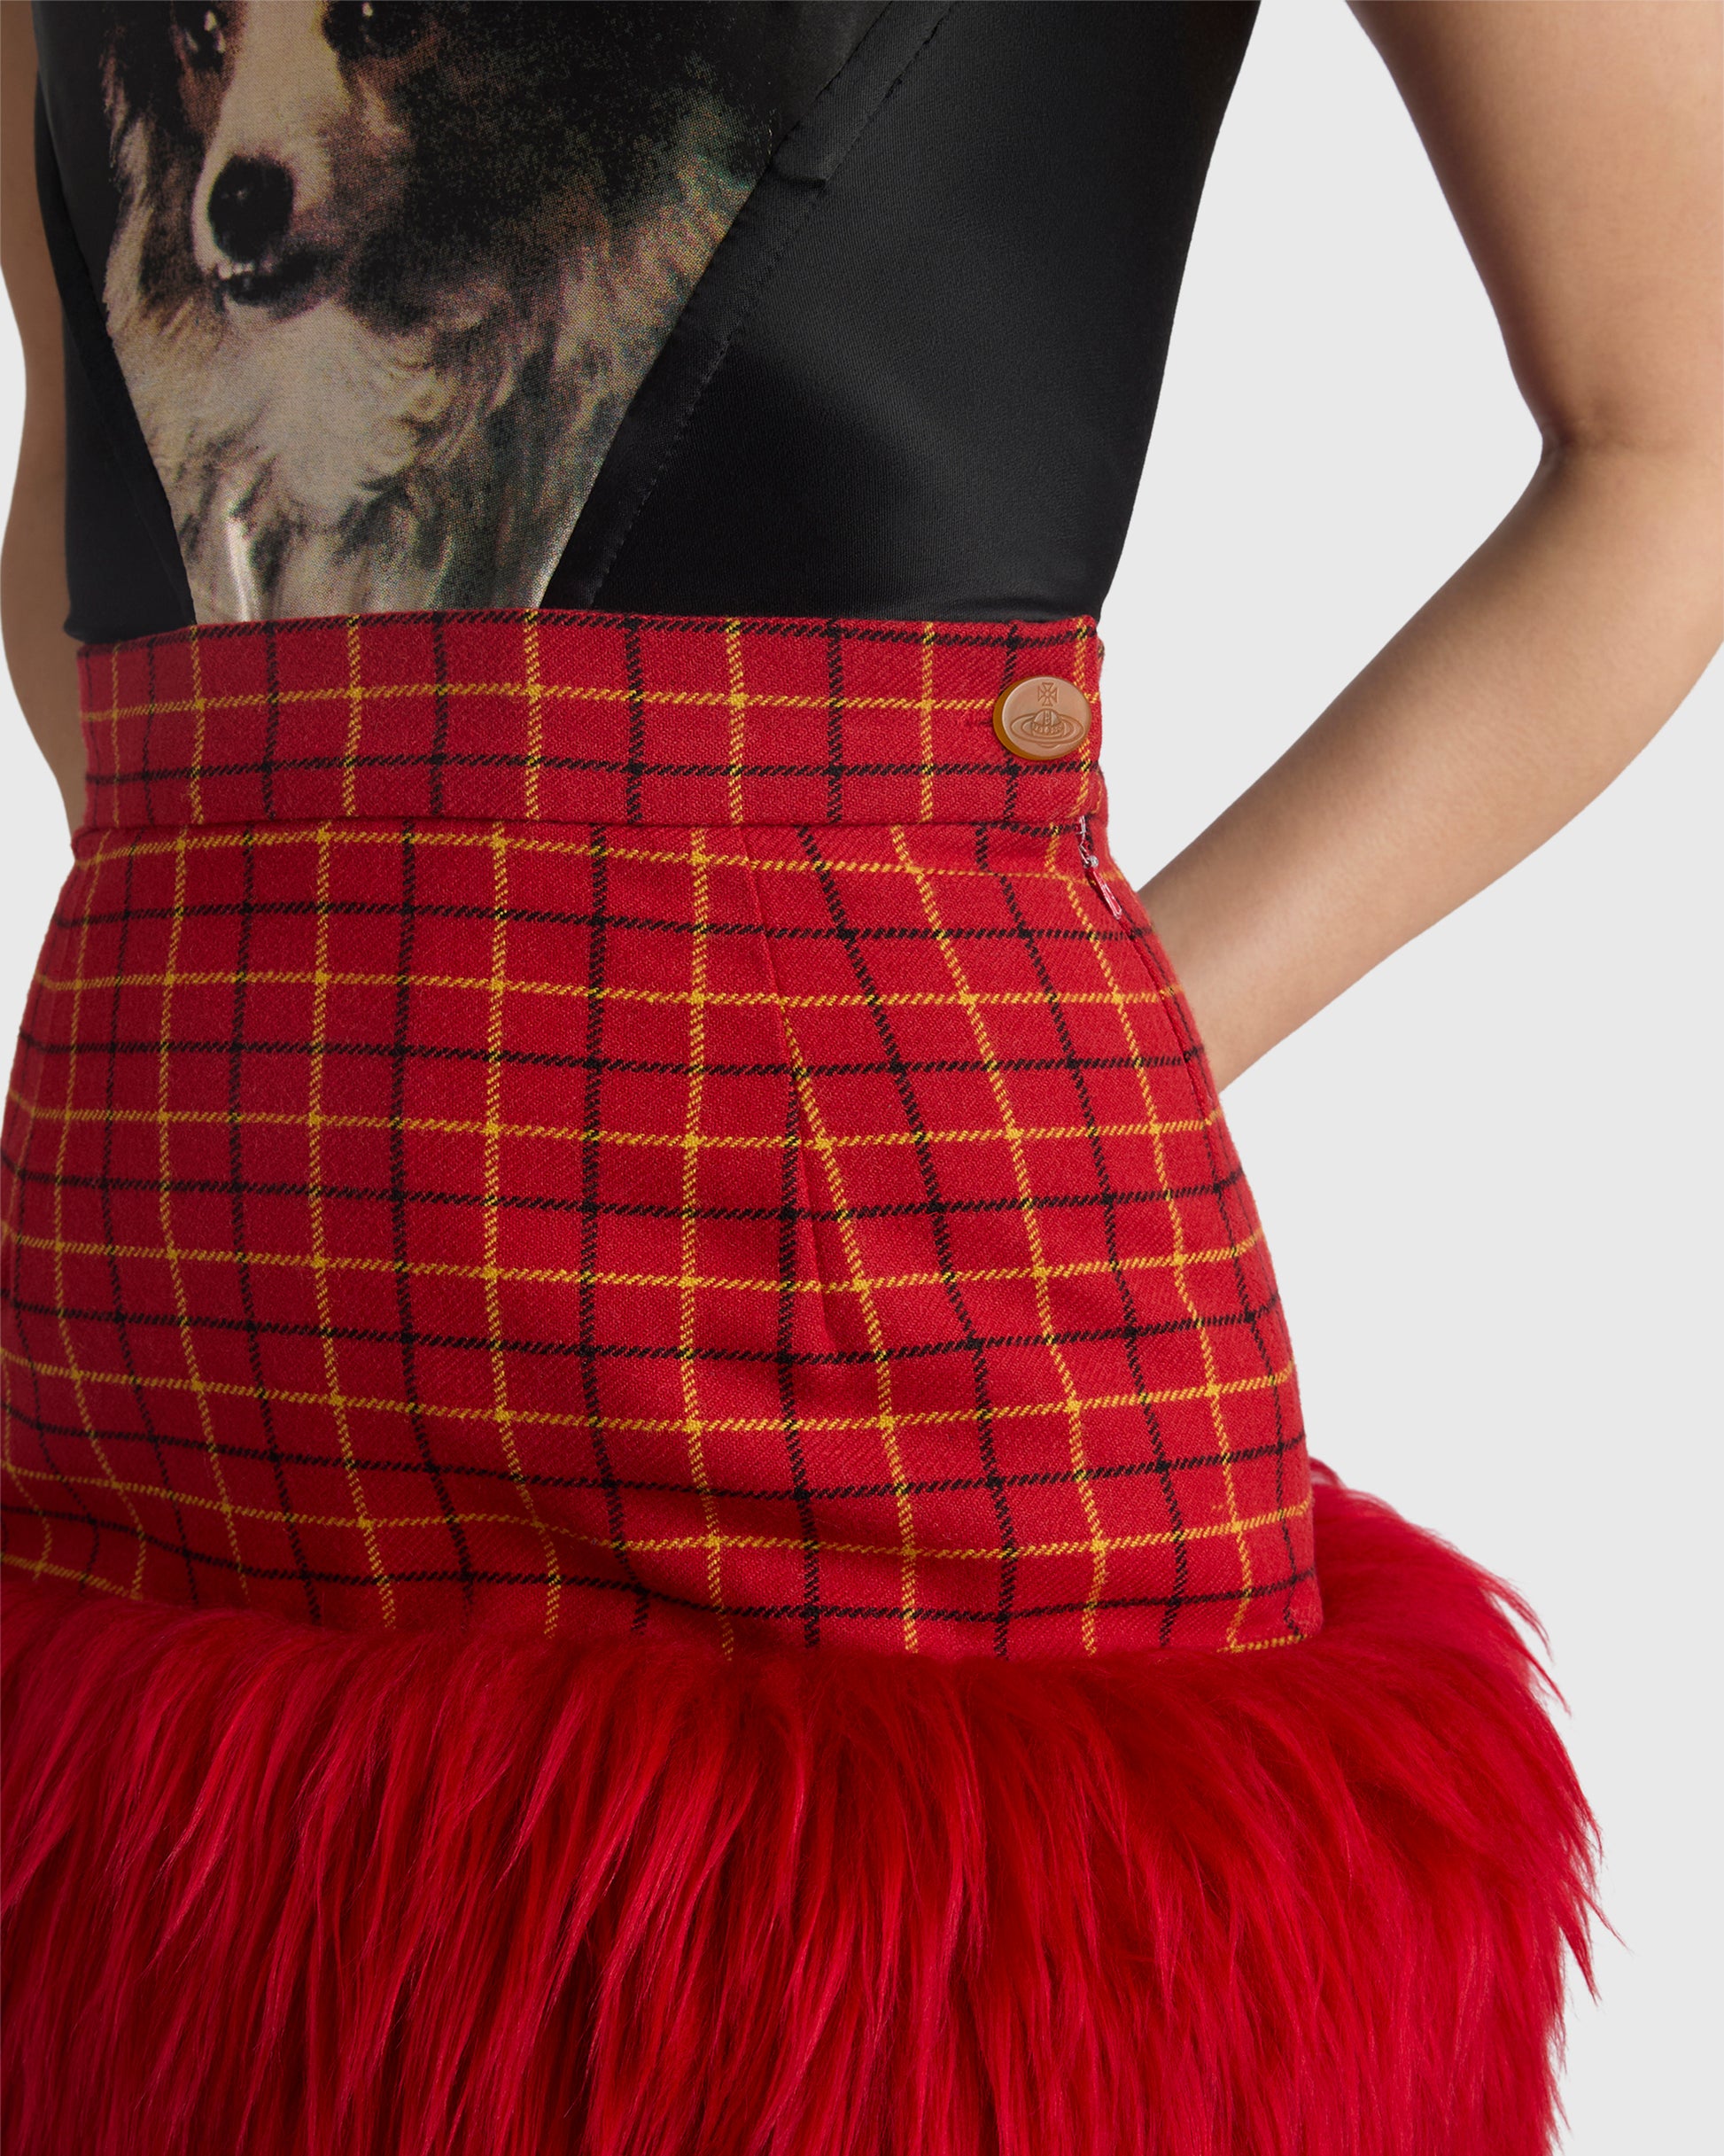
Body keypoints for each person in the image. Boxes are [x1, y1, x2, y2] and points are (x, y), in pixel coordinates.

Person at [0, 4, 1717, 2152]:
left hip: (871, 1421)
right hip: (154, 1419)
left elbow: (1675, 438)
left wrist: (1111, 1024)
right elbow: (98, 441)